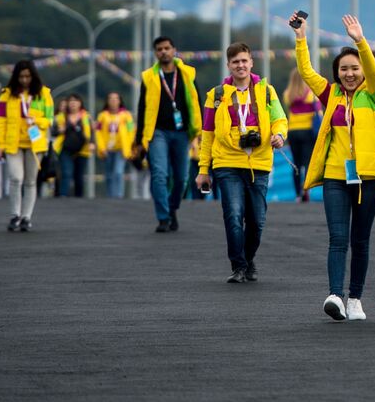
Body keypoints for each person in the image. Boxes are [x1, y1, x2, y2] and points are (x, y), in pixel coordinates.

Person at [292, 13, 375, 322]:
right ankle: (335, 294)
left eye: (354, 68)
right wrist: (300, 37)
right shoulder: (331, 94)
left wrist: (359, 41)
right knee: (337, 238)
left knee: (360, 240)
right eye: (343, 69)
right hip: (336, 174)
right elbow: (306, 71)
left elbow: (374, 74)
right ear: (337, 72)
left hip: (370, 176)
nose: (349, 74)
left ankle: (356, 298)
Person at [195, 41, 288, 283]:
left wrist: (279, 135)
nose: (240, 65)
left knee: (257, 221)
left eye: (244, 60)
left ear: (251, 63)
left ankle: (248, 258)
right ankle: (238, 266)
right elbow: (207, 134)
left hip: (259, 163)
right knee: (233, 215)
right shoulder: (215, 96)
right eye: (235, 61)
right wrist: (203, 169)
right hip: (227, 162)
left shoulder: (267, 91)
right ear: (228, 65)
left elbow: (280, 119)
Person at [133, 35, 202, 232]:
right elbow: (141, 107)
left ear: (174, 50)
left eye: (166, 48)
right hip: (157, 132)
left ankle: (172, 209)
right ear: (156, 53)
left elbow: (196, 102)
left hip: (182, 132)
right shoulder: (149, 77)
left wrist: (201, 129)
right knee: (160, 175)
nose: (163, 52)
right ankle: (163, 217)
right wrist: (139, 139)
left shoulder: (187, 73)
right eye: (159, 49)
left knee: (181, 178)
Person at [0, 59, 54, 231]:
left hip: (35, 144)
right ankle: (15, 215)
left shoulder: (44, 94)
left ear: (33, 76)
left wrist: (37, 120)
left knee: (30, 181)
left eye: (28, 76)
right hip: (13, 143)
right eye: (21, 76)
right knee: (15, 178)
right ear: (16, 77)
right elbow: (0, 121)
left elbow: (50, 119)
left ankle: (26, 217)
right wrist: (1, 144)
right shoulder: (6, 95)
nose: (25, 80)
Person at [280, 69, 323, 202]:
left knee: (296, 164)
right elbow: (319, 113)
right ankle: (306, 188)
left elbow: (288, 110)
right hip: (308, 132)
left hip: (292, 131)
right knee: (307, 162)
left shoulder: (287, 94)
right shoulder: (312, 95)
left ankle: (298, 194)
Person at [95, 91, 135, 200]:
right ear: (107, 101)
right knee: (108, 174)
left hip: (121, 149)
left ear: (120, 101)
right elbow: (98, 132)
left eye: (116, 98)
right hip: (107, 149)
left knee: (118, 172)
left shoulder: (126, 116)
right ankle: (110, 196)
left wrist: (129, 146)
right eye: (111, 98)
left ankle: (118, 195)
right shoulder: (102, 116)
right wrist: (101, 147)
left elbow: (131, 131)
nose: (113, 101)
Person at [54, 94, 93, 198]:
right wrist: (59, 130)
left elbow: (92, 132)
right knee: (66, 172)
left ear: (80, 103)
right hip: (65, 148)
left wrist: (92, 143)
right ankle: (63, 195)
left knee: (79, 175)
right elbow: (53, 132)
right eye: (71, 101)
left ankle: (79, 197)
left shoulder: (86, 117)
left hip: (82, 149)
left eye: (76, 101)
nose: (73, 103)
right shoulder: (60, 117)